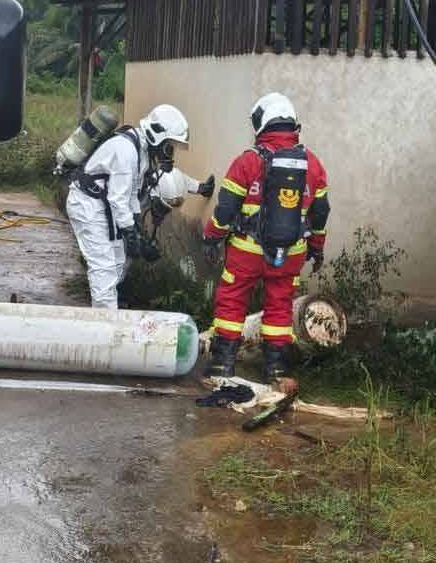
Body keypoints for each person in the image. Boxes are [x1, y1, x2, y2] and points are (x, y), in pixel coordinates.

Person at [202, 93, 330, 394]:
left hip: (247, 250)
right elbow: (321, 211)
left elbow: (225, 209)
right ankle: (276, 368)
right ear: (292, 124)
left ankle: (222, 364)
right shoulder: (312, 164)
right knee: (279, 306)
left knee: (232, 299)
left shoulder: (248, 161)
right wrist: (317, 246)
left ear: (261, 123)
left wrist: (212, 237)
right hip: (290, 253)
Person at [66, 104, 190, 308]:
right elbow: (118, 198)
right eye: (169, 144)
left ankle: (105, 308)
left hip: (104, 206)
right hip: (87, 204)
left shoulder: (140, 152)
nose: (169, 150)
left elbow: (132, 193)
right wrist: (130, 233)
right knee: (104, 268)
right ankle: (106, 325)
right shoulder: (126, 151)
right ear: (156, 135)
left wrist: (137, 230)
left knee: (117, 262)